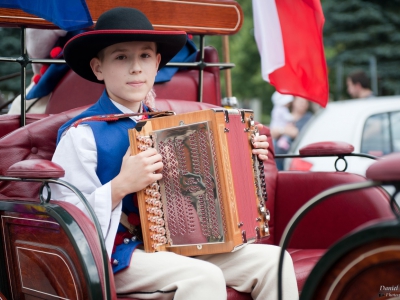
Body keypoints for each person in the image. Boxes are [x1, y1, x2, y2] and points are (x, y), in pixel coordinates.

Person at [50, 7, 298, 300]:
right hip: (119, 253)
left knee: (276, 262)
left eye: (144, 56)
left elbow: (208, 185)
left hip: (181, 244)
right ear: (98, 68)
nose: (135, 68)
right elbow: (64, 217)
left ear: (157, 64)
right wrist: (120, 186)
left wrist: (246, 155)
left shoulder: (169, 125)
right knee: (203, 278)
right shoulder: (82, 134)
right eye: (121, 57)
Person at [272, 96, 314, 170]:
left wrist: (281, 130)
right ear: (294, 101)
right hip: (277, 156)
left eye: (305, 102)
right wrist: (285, 130)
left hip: (293, 159)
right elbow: (272, 132)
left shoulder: (308, 118)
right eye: (300, 101)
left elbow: (297, 133)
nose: (303, 104)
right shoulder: (284, 114)